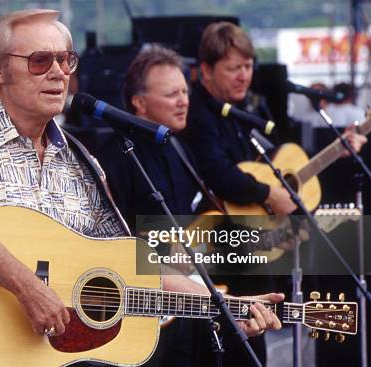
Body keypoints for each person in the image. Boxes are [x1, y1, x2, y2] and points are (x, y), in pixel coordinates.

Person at [0, 10, 282, 364]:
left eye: (66, 60)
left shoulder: (80, 160)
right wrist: (28, 288)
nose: (59, 72)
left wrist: (223, 305)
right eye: (40, 60)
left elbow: (132, 265)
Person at [184, 21, 367, 366]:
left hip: (255, 239)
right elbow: (218, 172)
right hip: (219, 245)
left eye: (248, 67)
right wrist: (269, 194)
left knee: (258, 329)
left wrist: (335, 149)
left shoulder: (252, 109)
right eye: (233, 68)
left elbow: (281, 159)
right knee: (236, 336)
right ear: (206, 70)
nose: (243, 76)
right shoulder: (199, 115)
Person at [98, 44, 284, 367]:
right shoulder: (115, 156)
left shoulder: (178, 148)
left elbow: (194, 222)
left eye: (185, 91)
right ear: (139, 103)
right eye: (172, 94)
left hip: (183, 305)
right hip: (137, 311)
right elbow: (107, 241)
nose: (184, 101)